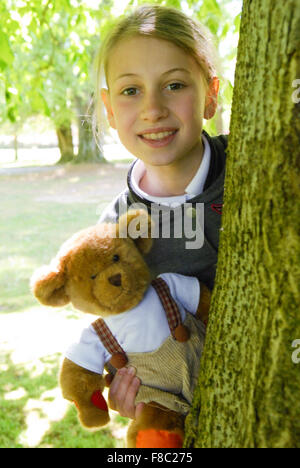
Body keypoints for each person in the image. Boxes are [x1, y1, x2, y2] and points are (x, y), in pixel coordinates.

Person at [93, 5, 228, 424]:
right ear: (110, 110)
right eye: (131, 91)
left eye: (173, 85)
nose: (152, 108)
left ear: (209, 94)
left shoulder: (252, 168)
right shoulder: (114, 233)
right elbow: (122, 326)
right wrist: (124, 384)